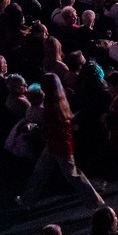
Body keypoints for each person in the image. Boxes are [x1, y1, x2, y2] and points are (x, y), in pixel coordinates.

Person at [16, 74, 104, 210]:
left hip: (58, 143)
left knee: (72, 174)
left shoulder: (51, 104)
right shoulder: (60, 99)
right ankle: (27, 199)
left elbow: (52, 126)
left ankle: (96, 202)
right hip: (58, 141)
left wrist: (34, 130)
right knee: (41, 171)